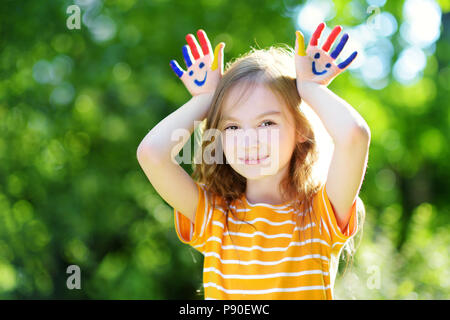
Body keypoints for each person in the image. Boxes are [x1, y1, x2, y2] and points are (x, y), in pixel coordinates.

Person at [137, 23, 370, 300]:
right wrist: (204, 100)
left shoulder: (320, 214)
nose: (249, 140)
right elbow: (151, 153)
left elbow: (354, 136)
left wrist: (309, 88)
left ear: (301, 131)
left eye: (266, 123)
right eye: (233, 127)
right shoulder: (214, 216)